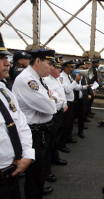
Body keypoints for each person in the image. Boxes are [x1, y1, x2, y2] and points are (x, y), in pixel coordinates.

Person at [12, 48, 57, 198]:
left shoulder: (38, 79)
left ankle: (38, 189)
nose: (52, 68)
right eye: (49, 64)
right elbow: (50, 107)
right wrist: (51, 99)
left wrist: (51, 98)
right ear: (38, 61)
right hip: (33, 133)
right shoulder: (27, 80)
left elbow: (52, 97)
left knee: (39, 169)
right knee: (34, 172)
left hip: (41, 131)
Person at [0, 33, 34, 199]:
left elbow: (20, 123)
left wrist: (26, 153)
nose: (7, 62)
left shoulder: (5, 91)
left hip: (11, 175)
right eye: (1, 58)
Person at [43, 58, 68, 183]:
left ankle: (55, 157)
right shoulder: (47, 81)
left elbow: (62, 94)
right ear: (52, 69)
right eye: (57, 67)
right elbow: (51, 97)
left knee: (55, 140)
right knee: (49, 143)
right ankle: (46, 171)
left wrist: (65, 104)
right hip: (53, 114)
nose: (60, 70)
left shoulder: (57, 80)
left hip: (59, 113)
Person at [58, 59, 82, 153]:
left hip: (71, 103)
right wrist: (75, 81)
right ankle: (61, 144)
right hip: (66, 103)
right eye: (71, 67)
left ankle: (68, 138)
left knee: (69, 123)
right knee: (65, 125)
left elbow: (75, 87)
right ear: (66, 67)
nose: (72, 68)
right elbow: (67, 90)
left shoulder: (68, 77)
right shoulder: (61, 77)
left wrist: (85, 87)